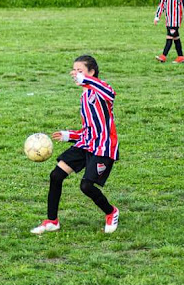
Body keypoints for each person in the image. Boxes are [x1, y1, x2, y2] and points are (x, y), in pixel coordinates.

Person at [31, 55, 119, 235]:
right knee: (56, 175)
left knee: (86, 186)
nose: (75, 74)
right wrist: (68, 135)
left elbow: (110, 93)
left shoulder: (101, 91)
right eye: (74, 71)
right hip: (86, 144)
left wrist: (86, 80)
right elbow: (89, 129)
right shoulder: (85, 96)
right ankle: (51, 221)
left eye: (80, 71)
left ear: (92, 72)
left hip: (103, 147)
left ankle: (111, 212)